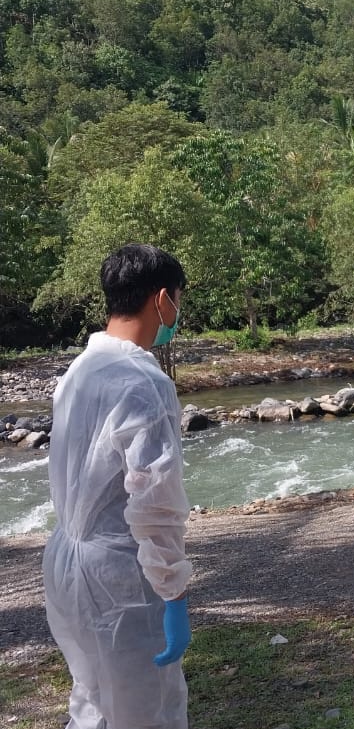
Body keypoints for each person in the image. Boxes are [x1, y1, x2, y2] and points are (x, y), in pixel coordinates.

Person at [43, 243, 193, 729]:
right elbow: (154, 497)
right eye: (177, 301)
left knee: (92, 701)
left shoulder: (80, 372)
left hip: (67, 562)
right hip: (120, 576)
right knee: (147, 709)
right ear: (162, 300)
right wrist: (172, 590)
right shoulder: (142, 380)